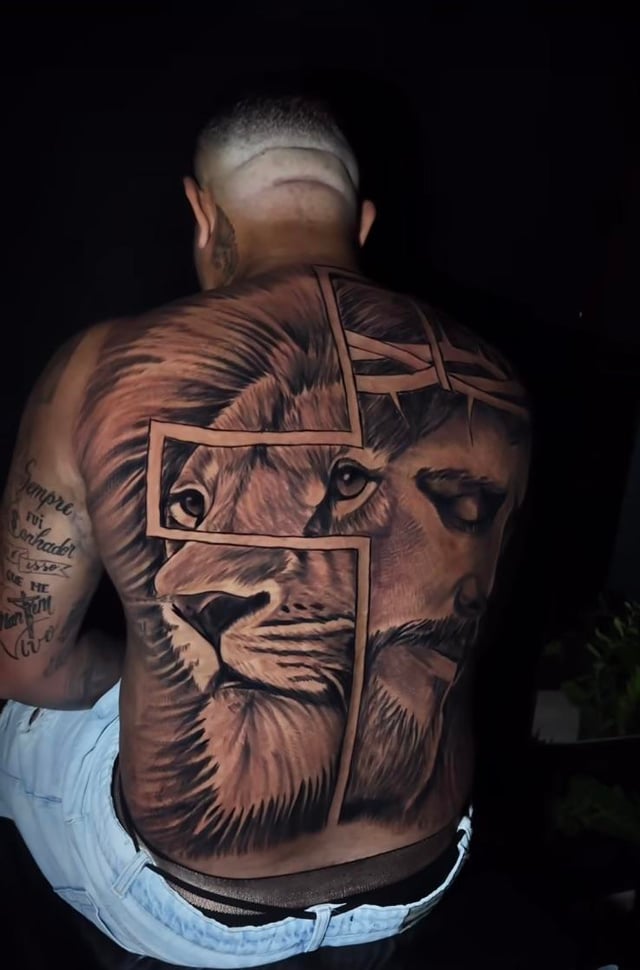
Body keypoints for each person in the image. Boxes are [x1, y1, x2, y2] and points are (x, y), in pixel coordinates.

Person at [0, 94, 531, 967]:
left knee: (20, 707)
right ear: (361, 223)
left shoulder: (97, 369)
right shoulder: (494, 385)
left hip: (184, 903)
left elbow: (27, 663)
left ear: (202, 215)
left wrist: (150, 661)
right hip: (418, 875)